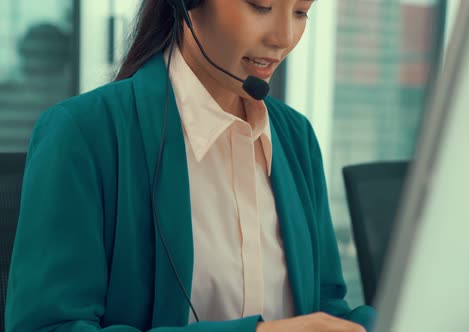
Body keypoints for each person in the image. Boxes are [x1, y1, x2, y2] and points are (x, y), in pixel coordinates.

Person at [5, 0, 376, 331]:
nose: (283, 37)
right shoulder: (83, 133)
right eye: (260, 6)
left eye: (301, 12)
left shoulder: (295, 137)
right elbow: (50, 326)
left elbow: (325, 305)